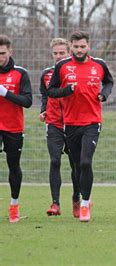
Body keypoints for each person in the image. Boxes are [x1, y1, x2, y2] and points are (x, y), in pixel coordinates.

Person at [47, 31, 114, 222]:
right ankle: (78, 198)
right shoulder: (62, 66)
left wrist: (104, 94)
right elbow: (51, 91)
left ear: (88, 46)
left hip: (92, 122)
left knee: (86, 162)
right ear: (71, 47)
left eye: (82, 46)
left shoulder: (99, 65)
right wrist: (66, 91)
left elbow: (109, 82)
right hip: (71, 123)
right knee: (77, 165)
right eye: (76, 47)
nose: (79, 50)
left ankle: (85, 204)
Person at [39, 38, 79, 217]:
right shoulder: (47, 74)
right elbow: (45, 95)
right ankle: (55, 203)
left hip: (74, 122)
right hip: (54, 123)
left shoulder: (77, 72)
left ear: (69, 52)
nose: (58, 56)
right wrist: (43, 110)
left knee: (75, 164)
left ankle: (76, 200)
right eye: (55, 53)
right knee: (55, 161)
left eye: (62, 53)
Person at [0, 34, 33, 223]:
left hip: (13, 127)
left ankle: (14, 204)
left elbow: (27, 101)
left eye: (2, 53)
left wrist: (6, 93)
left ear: (9, 52)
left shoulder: (21, 73)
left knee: (13, 166)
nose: (0, 57)